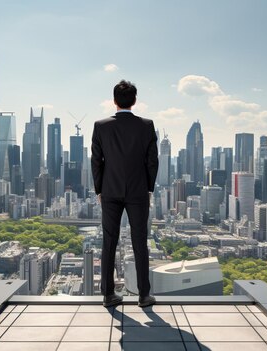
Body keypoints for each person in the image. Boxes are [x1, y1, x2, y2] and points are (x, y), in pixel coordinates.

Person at [91, 80, 159, 308]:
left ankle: (108, 295)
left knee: (109, 241)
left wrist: (99, 190)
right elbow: (152, 162)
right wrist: (149, 188)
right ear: (135, 100)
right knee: (140, 242)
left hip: (109, 190)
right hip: (138, 190)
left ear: (114, 101)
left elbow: (96, 162)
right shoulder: (147, 125)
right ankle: (143, 295)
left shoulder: (101, 126)